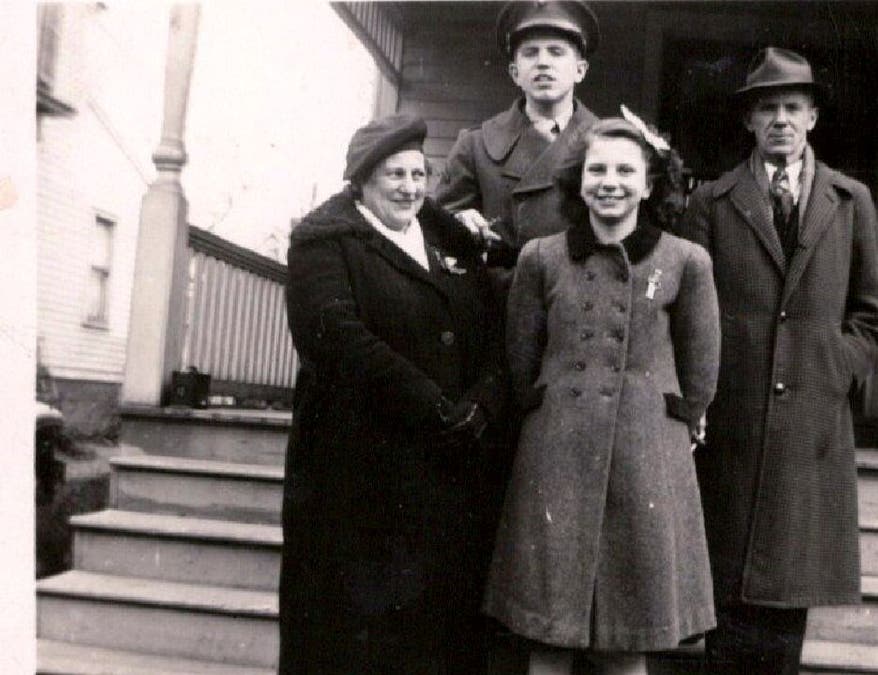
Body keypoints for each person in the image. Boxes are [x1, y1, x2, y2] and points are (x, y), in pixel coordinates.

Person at [677, 47, 878, 674]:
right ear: (748, 121)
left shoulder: (851, 203)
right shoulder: (712, 204)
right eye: (767, 107)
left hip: (809, 430)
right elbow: (691, 315)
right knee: (726, 598)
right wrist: (701, 396)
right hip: (732, 427)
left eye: (793, 106)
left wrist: (831, 370)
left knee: (786, 606)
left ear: (813, 117)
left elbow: (871, 316)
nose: (781, 119)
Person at [485, 117, 720, 675]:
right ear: (578, 181)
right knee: (548, 635)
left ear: (648, 184)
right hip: (557, 455)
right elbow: (523, 358)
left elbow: (701, 365)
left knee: (625, 639)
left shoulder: (685, 261)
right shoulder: (541, 257)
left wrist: (684, 419)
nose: (609, 182)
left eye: (624, 170)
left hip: (646, 459)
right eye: (597, 169)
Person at [279, 114, 506, 674]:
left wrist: (483, 404)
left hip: (444, 473)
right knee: (357, 638)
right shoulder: (324, 245)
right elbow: (340, 342)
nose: (409, 187)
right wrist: (435, 407)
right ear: (360, 182)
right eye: (394, 176)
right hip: (357, 478)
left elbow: (495, 333)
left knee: (432, 636)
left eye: (418, 174)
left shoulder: (447, 241)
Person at [434, 0, 600, 277]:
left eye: (556, 52)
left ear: (580, 70)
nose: (543, 62)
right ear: (515, 73)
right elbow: (436, 229)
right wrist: (460, 223)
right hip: (498, 304)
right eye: (530, 53)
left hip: (579, 301)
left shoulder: (611, 145)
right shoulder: (475, 145)